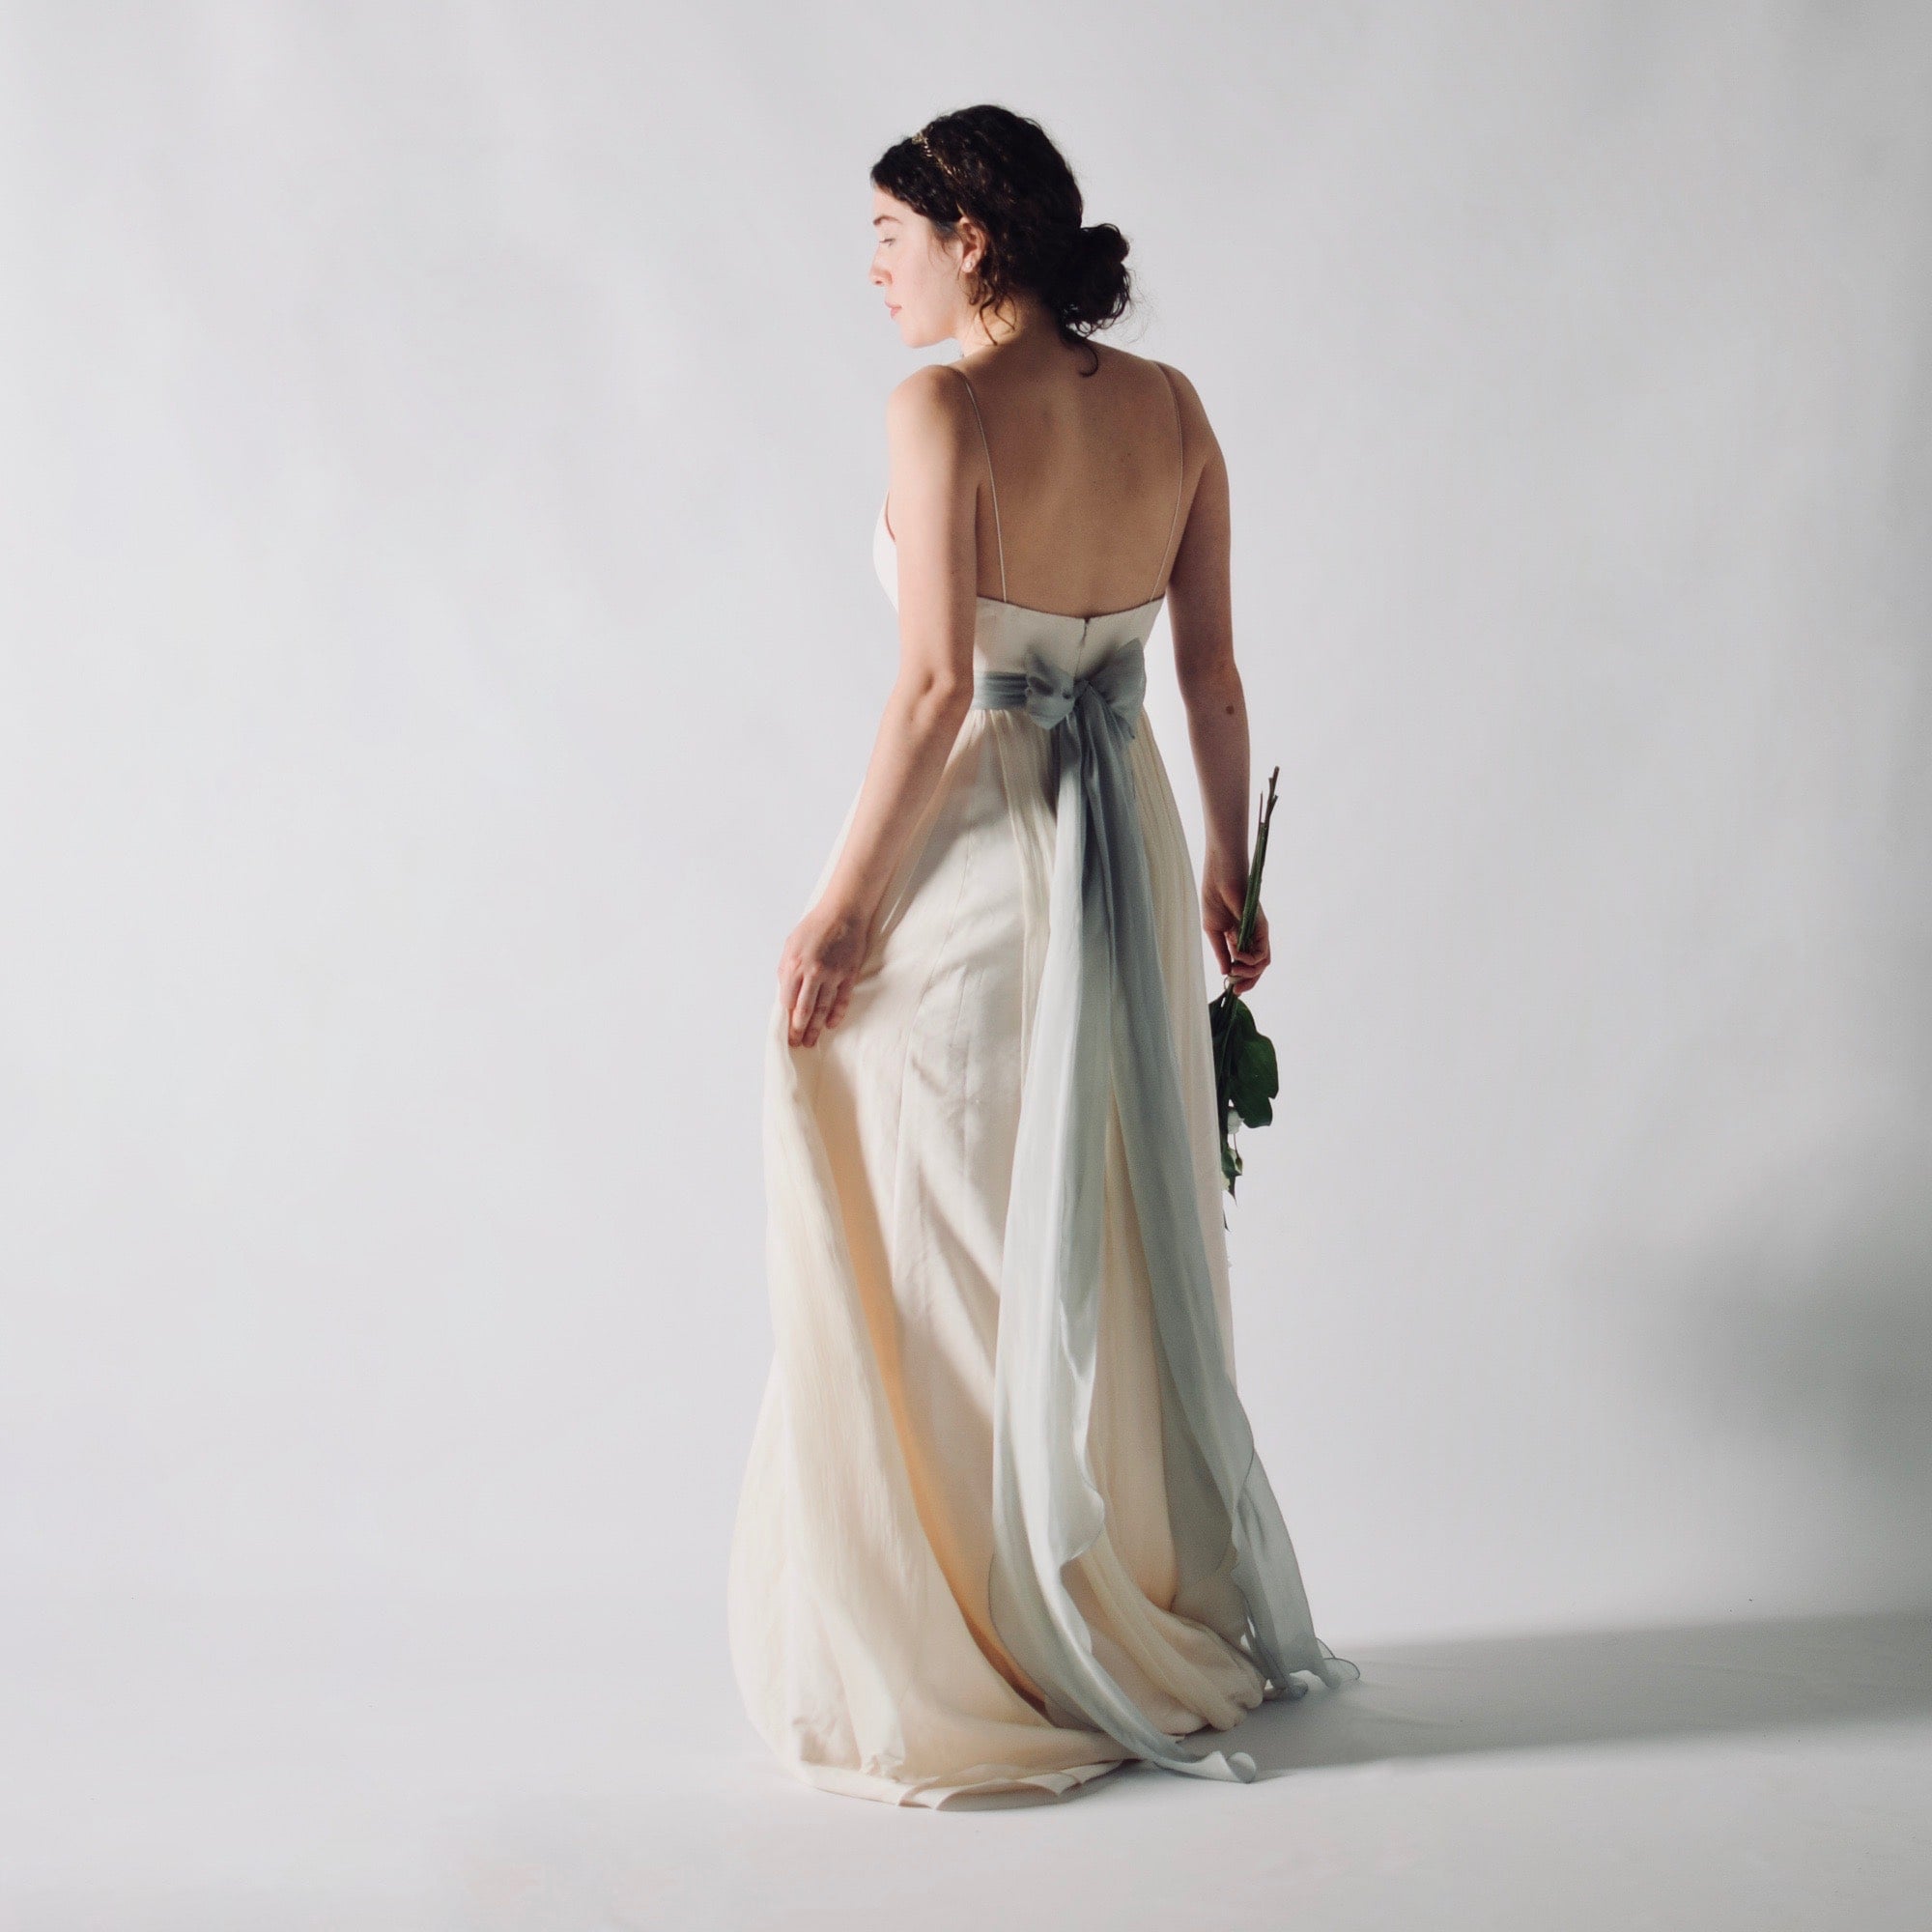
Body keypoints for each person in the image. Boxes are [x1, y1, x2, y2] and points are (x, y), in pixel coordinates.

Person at [728, 103, 1356, 1809]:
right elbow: (1210, 677)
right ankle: (1104, 1593)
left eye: (889, 236)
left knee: (947, 1222)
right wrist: (1226, 870)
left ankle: (984, 1638)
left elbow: (940, 685)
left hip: (991, 856)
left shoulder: (938, 409)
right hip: (1130, 845)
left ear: (972, 238)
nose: (874, 270)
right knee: (1105, 1216)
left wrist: (844, 907)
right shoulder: (1174, 409)